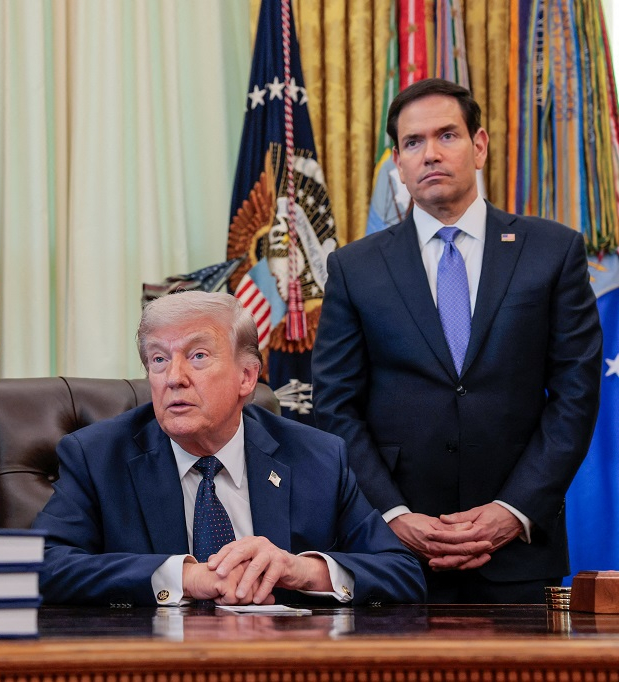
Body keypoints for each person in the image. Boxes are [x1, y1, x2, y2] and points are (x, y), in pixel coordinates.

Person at [312, 78, 602, 603]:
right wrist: (393, 516)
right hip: (393, 556)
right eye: (412, 142)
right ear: (398, 163)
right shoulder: (354, 268)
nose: (430, 154)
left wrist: (512, 511)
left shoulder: (552, 251)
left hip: (517, 554)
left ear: (480, 145)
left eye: (447, 135)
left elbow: (576, 395)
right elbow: (335, 406)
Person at [33, 291, 425, 607]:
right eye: (159, 359)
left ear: (247, 377)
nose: (174, 378)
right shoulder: (98, 456)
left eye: (198, 356)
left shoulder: (317, 456)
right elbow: (41, 566)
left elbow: (401, 572)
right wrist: (184, 577)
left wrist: (301, 571)